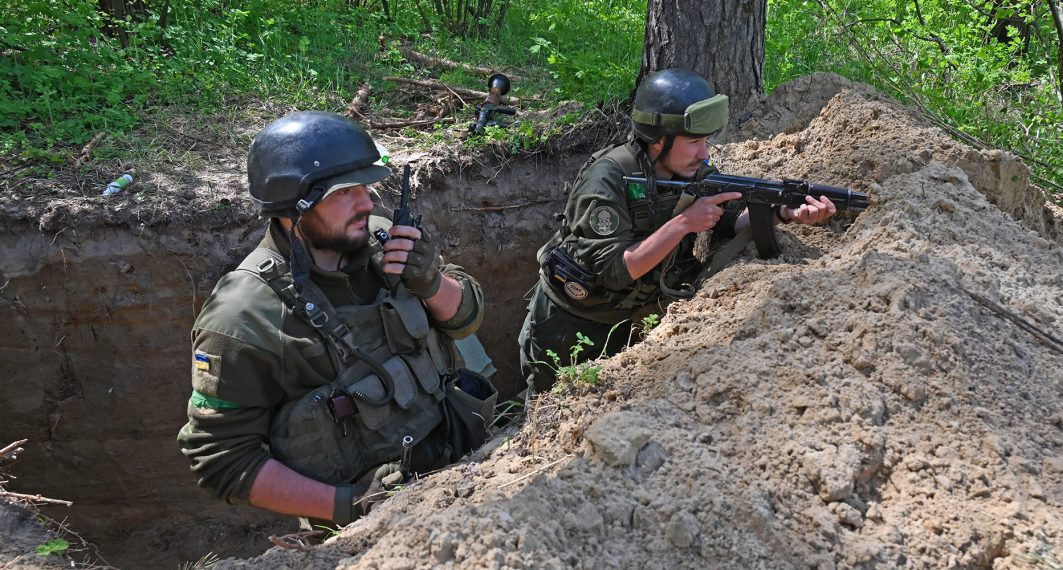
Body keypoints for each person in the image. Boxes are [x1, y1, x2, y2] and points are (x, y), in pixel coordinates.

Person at [177, 111, 497, 527]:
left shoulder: (384, 241)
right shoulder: (243, 316)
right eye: (345, 192)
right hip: (371, 529)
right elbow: (219, 457)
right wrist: (352, 507)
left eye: (365, 186)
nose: (366, 202)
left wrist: (432, 282)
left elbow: (467, 322)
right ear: (295, 205)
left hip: (473, 469)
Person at [518, 69, 838, 393]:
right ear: (660, 140)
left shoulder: (691, 171)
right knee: (550, 406)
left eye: (706, 141)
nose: (705, 153)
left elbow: (729, 219)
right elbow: (616, 269)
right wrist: (685, 222)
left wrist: (783, 212)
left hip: (631, 322)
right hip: (570, 325)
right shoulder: (607, 179)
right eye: (694, 141)